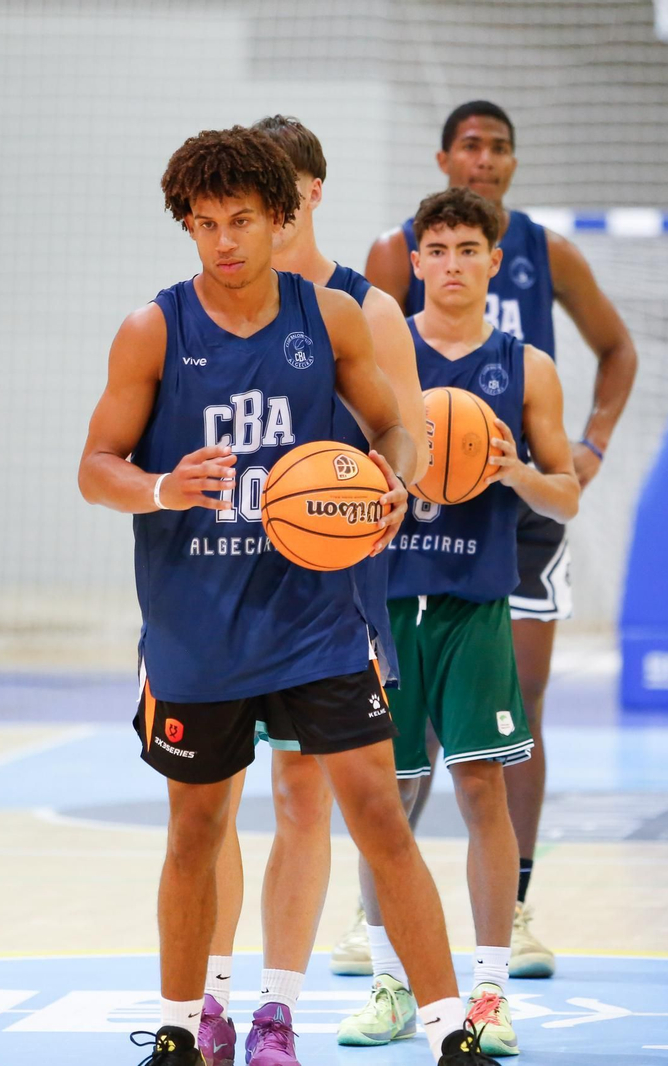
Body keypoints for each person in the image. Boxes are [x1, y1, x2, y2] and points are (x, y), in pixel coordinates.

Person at [78, 125, 495, 1066]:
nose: (223, 240)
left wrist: (390, 478)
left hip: (316, 617)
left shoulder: (331, 318)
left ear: (280, 217)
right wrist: (161, 487)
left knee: (379, 817)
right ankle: (182, 1031)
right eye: (205, 223)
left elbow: (393, 426)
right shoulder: (154, 329)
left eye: (241, 220)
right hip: (197, 626)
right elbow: (95, 466)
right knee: (196, 829)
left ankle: (450, 1034)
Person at [355, 98, 636, 980]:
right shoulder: (387, 292)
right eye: (470, 146)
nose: (484, 159)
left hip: (510, 518)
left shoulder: (543, 270)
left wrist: (585, 450)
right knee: (399, 756)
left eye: (499, 147)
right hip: (405, 537)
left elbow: (617, 351)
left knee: (510, 723)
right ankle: (381, 926)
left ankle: (510, 910)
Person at [194, 114, 428, 1066]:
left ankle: (276, 1012)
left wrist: (380, 491)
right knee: (207, 806)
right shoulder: (196, 310)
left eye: (275, 193)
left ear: (309, 194)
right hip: (213, 588)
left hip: (324, 593)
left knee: (302, 798)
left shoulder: (364, 311)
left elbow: (407, 448)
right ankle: (207, 1003)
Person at [338, 187, 579, 1055]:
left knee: (480, 789)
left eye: (467, 249)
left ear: (493, 260)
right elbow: (335, 472)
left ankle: (488, 995)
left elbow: (566, 495)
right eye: (435, 250)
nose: (450, 265)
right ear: (414, 261)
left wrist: (515, 473)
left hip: (475, 608)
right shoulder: (375, 355)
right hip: (387, 605)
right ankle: (390, 983)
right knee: (387, 798)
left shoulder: (527, 367)